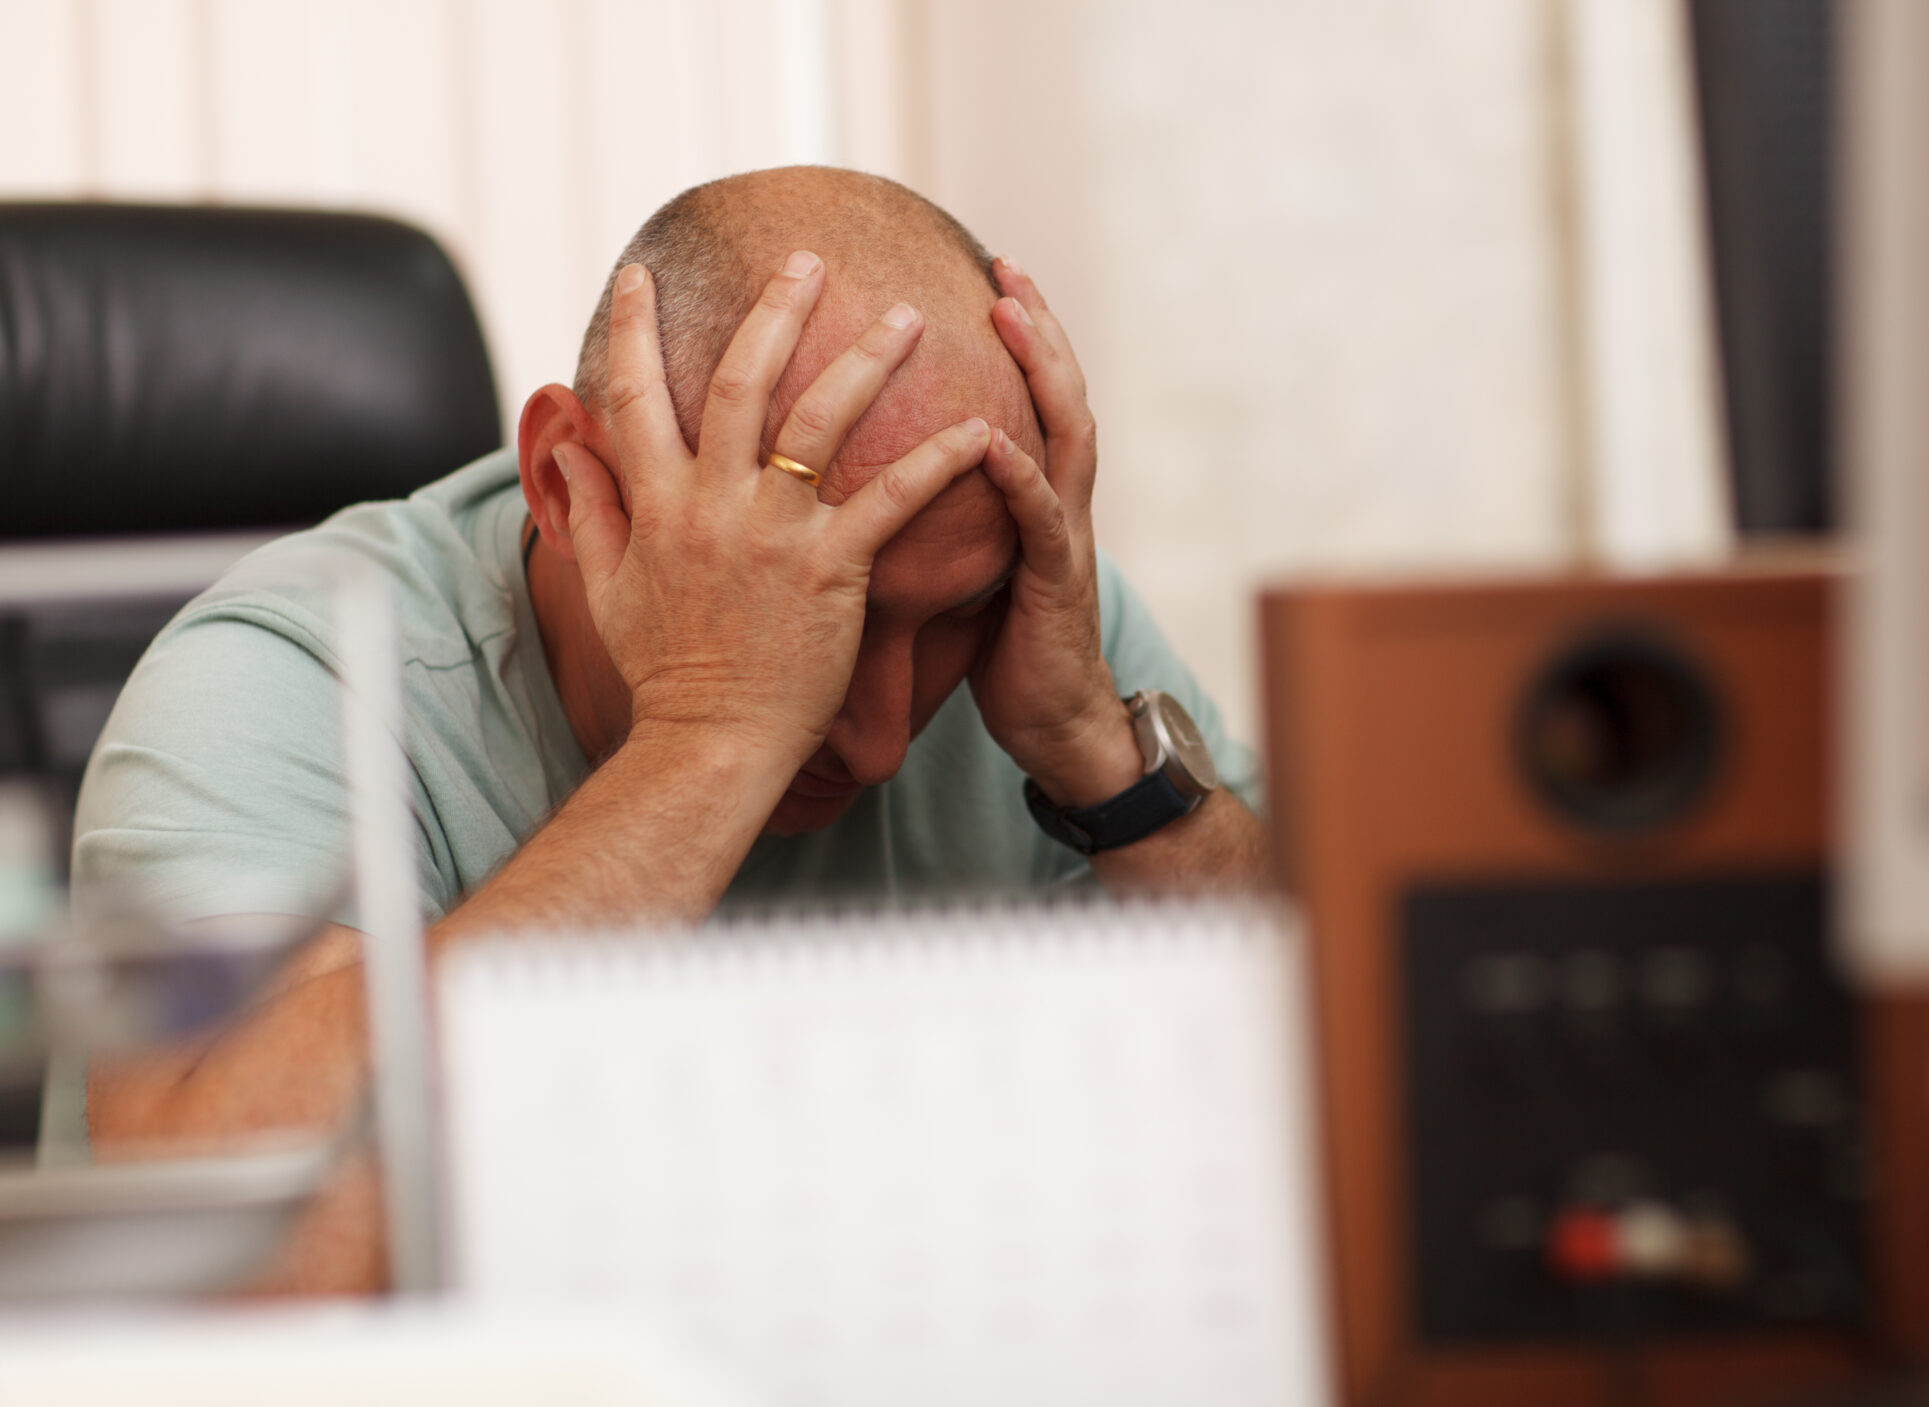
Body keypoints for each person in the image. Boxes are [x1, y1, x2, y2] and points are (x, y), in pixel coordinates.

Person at [72, 167, 1267, 1290]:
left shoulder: (1029, 623)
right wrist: (711, 727)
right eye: (823, 620)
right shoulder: (284, 675)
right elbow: (234, 1262)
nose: (882, 739)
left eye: (948, 617)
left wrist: (1105, 767)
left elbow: (1366, 1096)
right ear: (563, 486)